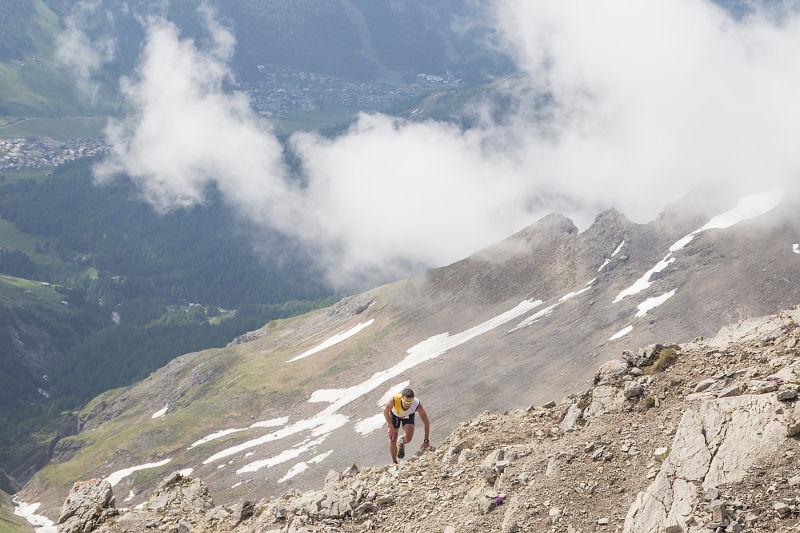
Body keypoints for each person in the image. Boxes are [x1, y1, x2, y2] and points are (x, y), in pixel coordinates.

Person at [383, 387, 430, 464]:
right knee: (392, 438)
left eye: (410, 403)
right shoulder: (393, 400)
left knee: (408, 439)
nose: (407, 405)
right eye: (405, 402)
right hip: (395, 415)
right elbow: (385, 412)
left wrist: (426, 441)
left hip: (408, 416)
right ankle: (395, 462)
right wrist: (391, 427)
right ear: (401, 399)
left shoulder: (417, 404)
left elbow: (426, 422)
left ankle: (401, 443)